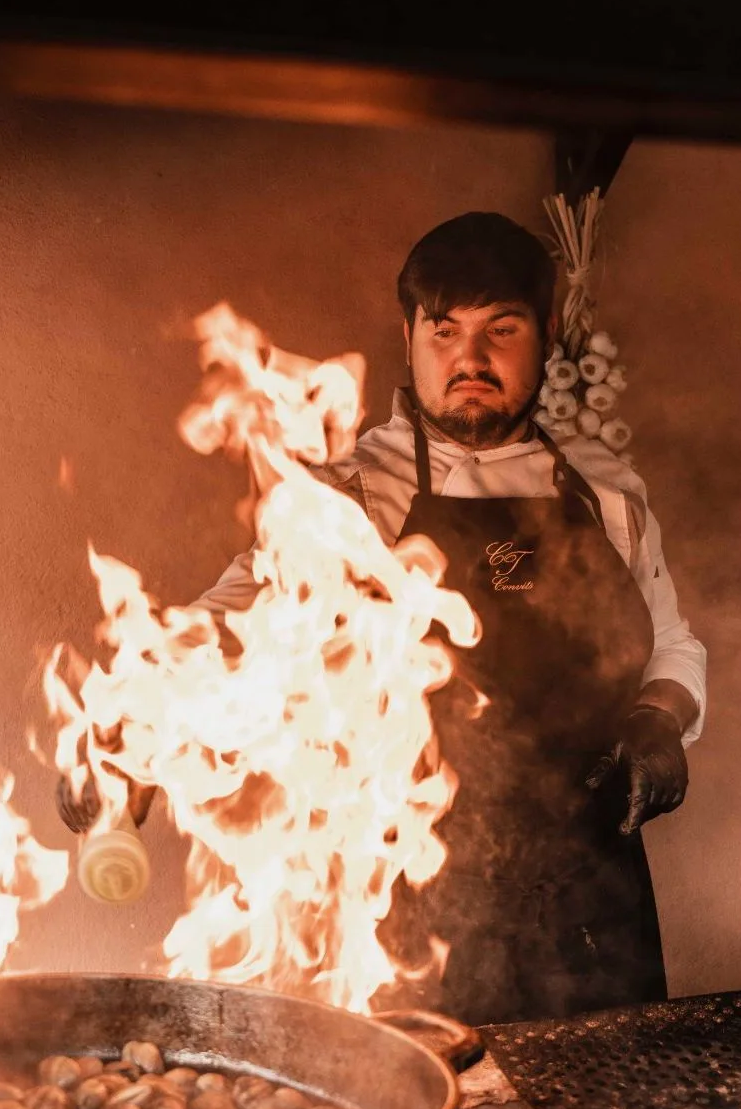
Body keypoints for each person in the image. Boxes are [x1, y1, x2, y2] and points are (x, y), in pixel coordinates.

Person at [67, 213, 706, 1025]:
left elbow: (674, 644)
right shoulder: (344, 496)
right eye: (445, 331)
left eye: (500, 330)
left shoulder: (605, 491)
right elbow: (220, 628)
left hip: (593, 892)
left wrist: (657, 722)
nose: (470, 359)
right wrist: (130, 727)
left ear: (545, 339)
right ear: (409, 340)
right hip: (405, 895)